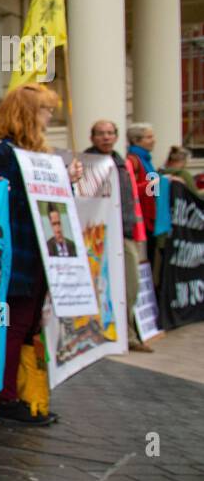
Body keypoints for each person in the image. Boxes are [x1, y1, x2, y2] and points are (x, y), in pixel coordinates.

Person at [0, 84, 81, 425]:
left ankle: (24, 395)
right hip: (17, 255)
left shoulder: (38, 156)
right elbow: (2, 205)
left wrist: (66, 183)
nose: (50, 117)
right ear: (25, 113)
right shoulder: (2, 155)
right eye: (44, 110)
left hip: (40, 257)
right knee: (15, 324)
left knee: (29, 327)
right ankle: (5, 399)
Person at [86, 120, 151, 351]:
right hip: (97, 234)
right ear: (92, 137)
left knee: (131, 285)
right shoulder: (86, 162)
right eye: (101, 133)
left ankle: (128, 332)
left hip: (125, 231)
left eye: (110, 133)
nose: (106, 137)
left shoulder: (123, 163)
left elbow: (135, 194)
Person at [126, 122, 165, 269]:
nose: (153, 140)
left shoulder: (146, 160)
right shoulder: (133, 161)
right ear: (136, 140)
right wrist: (154, 183)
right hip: (140, 219)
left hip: (150, 217)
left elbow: (152, 191)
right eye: (148, 137)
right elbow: (130, 189)